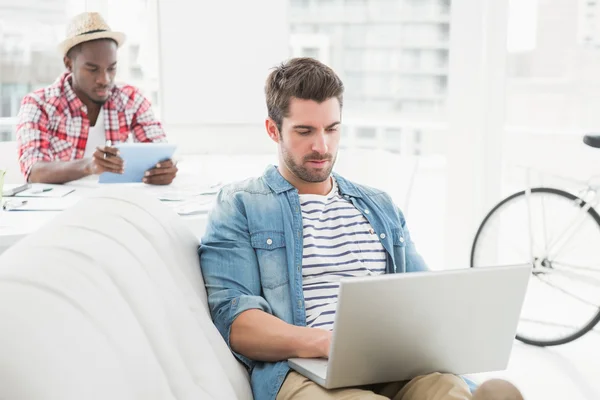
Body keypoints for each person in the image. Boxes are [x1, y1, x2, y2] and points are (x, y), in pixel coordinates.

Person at [199, 58, 524, 400]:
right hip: (304, 371)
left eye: (332, 129)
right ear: (273, 129)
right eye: (305, 131)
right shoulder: (241, 204)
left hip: (396, 366)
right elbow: (237, 322)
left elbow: (425, 299)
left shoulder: (379, 206)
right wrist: (328, 343)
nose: (321, 146)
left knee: (469, 391)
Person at [15, 12, 177, 185]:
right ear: (69, 64)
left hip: (117, 202)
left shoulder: (131, 99)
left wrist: (164, 170)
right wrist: (88, 166)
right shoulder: (39, 104)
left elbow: (159, 151)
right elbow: (34, 171)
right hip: (62, 207)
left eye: (111, 68)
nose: (104, 79)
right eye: (92, 69)